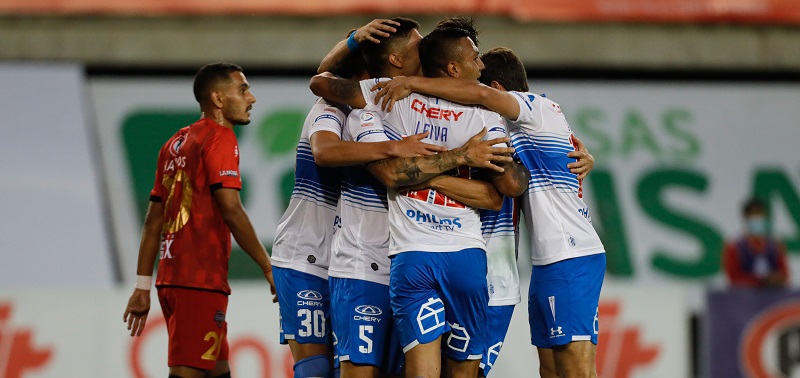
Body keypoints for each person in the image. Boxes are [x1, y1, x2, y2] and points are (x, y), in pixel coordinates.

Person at [371, 47, 605, 378]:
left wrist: (411, 83)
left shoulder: (533, 109)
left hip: (565, 256)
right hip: (542, 261)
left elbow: (479, 98)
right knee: (551, 369)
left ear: (495, 90)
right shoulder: (512, 127)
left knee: (575, 372)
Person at [312, 26, 530, 378]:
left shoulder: (389, 98)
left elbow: (321, 83)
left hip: (411, 257)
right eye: (475, 58)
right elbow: (508, 185)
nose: (481, 65)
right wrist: (463, 156)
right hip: (466, 257)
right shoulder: (484, 114)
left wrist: (414, 169)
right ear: (454, 70)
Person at [272, 23, 446, 378]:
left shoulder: (393, 107)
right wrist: (395, 148)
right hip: (307, 254)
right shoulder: (330, 108)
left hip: (352, 253)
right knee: (317, 368)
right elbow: (324, 150)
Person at [122, 63, 277, 378]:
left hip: (175, 277)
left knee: (218, 372)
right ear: (219, 99)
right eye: (243, 89)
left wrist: (142, 285)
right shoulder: (220, 138)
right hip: (197, 280)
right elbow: (232, 209)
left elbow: (153, 221)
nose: (252, 98)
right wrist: (268, 266)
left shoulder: (175, 143)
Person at [723, 198, 789, 288]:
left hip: (772, 298)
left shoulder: (775, 246)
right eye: (754, 215)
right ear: (745, 217)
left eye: (761, 215)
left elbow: (785, 274)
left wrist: (777, 278)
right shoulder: (734, 247)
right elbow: (733, 279)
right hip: (745, 299)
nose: (758, 218)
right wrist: (761, 281)